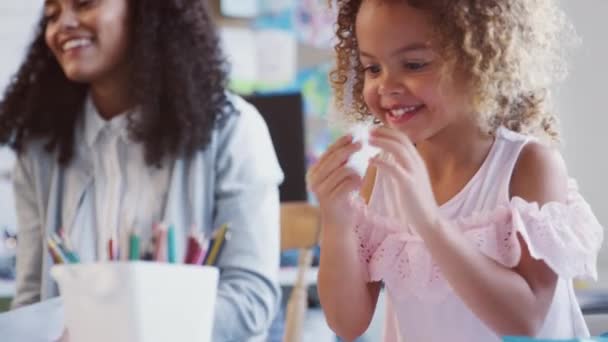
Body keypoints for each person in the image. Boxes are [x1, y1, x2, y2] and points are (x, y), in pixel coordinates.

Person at [307, 0, 604, 341]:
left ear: (482, 59)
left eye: (414, 64)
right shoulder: (383, 174)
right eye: (372, 68)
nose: (386, 86)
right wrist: (336, 220)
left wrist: (429, 222)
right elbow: (347, 323)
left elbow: (526, 320)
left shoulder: (528, 165)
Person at [0, 0, 283, 340]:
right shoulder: (40, 149)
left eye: (84, 3)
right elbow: (32, 301)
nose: (64, 24)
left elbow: (250, 300)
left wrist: (130, 331)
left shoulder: (233, 130)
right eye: (51, 14)